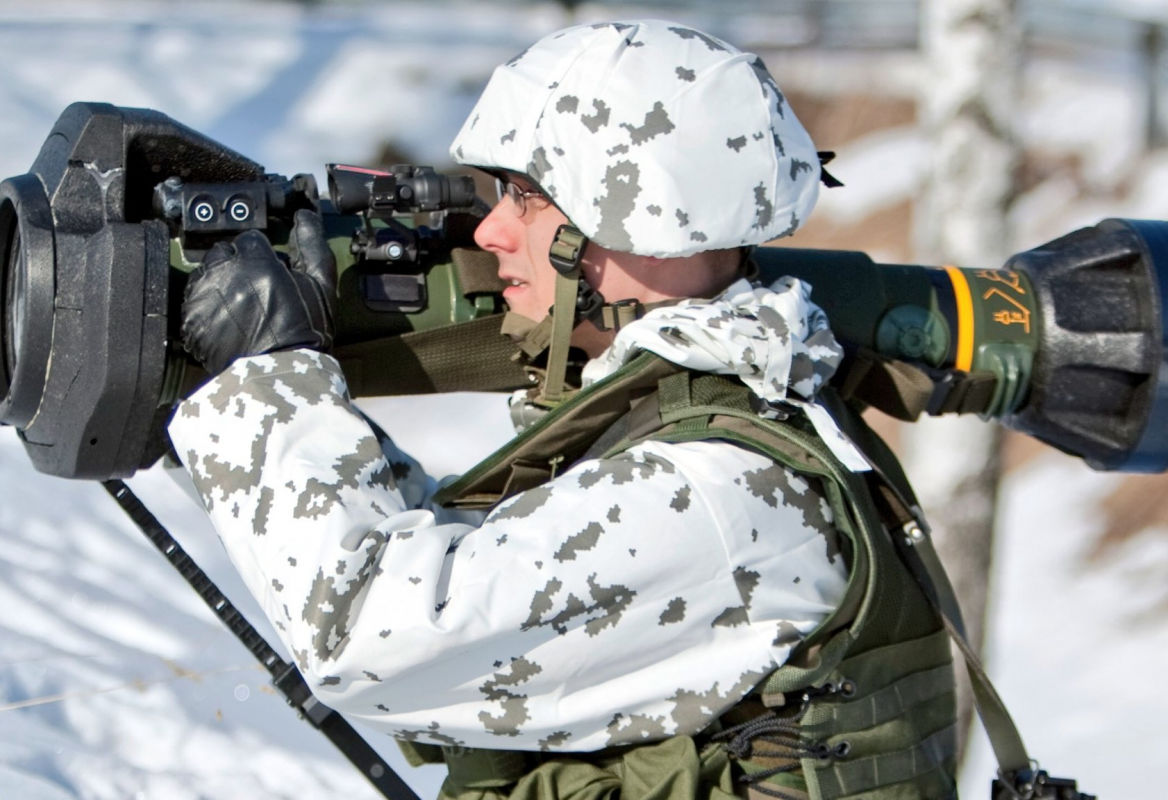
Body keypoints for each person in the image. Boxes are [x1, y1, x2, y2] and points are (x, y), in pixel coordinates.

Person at [168, 20, 958, 800]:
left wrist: (264, 379)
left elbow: (376, 635)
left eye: (529, 197)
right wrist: (233, 404)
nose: (489, 229)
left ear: (646, 219)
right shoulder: (712, 403)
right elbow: (463, 555)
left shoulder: (713, 493)